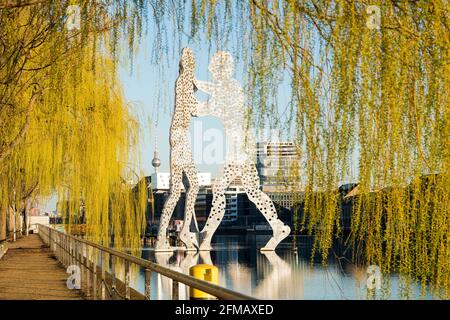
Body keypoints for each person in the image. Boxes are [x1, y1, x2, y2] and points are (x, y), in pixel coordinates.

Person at [195, 51, 290, 251]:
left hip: (238, 154)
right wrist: (196, 85)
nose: (214, 73)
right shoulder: (229, 89)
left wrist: (192, 86)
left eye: (215, 69)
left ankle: (206, 236)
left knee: (221, 191)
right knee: (252, 192)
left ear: (221, 70)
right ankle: (277, 226)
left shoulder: (229, 90)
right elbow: (212, 95)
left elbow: (202, 109)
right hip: (241, 152)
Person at [155, 48, 201, 252]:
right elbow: (194, 109)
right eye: (191, 63)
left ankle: (175, 233)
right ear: (186, 65)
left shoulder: (183, 82)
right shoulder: (183, 82)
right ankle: (164, 235)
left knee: (189, 186)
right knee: (181, 189)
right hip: (179, 136)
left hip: (180, 135)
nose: (192, 67)